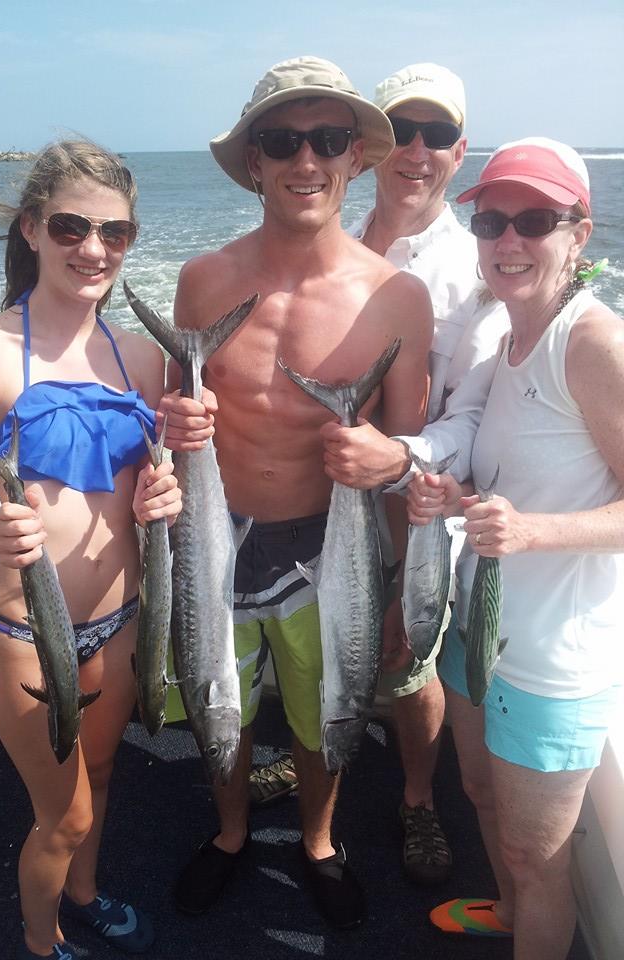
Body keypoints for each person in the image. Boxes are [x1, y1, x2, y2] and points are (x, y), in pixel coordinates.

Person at [159, 56, 433, 929]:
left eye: (326, 139)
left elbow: (406, 452)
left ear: (355, 156)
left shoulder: (399, 298)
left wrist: (398, 584)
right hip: (215, 544)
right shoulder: (202, 280)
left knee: (328, 712)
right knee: (218, 704)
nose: (304, 159)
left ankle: (318, 839)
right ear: (254, 163)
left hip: (331, 553)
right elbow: (170, 419)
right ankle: (233, 832)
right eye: (282, 141)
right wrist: (173, 426)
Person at [252, 62, 510, 886]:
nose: (418, 149)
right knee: (334, 648)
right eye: (404, 129)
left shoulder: (478, 269)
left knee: (408, 660)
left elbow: (475, 416)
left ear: (459, 151)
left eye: (438, 135)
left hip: (418, 503)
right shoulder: (338, 231)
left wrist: (402, 465)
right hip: (324, 507)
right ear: (372, 148)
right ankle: (318, 749)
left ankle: (417, 796)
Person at [0, 140, 182, 960]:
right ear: (34, 228)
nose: (94, 248)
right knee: (63, 813)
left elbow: (147, 482)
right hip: (26, 639)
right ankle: (44, 944)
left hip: (124, 619)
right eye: (72, 227)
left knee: (101, 781)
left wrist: (165, 497)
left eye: (116, 233)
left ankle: (85, 891)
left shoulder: (141, 354)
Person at [408, 138, 624, 959]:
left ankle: (528, 912)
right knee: (477, 795)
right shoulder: (509, 343)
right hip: (481, 631)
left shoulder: (593, 344)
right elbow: (499, 467)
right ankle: (506, 909)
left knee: (540, 854)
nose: (507, 241)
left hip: (554, 664)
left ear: (580, 234)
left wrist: (535, 532)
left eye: (534, 221)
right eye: (492, 221)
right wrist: (446, 493)